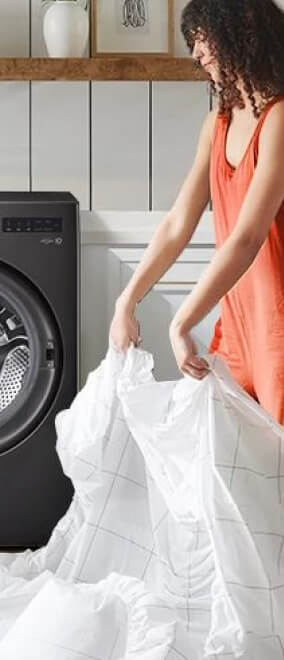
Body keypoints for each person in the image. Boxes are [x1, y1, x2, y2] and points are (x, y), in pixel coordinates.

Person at [109, 0, 284, 424]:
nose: (195, 54)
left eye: (201, 37)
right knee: (233, 469)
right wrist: (125, 302)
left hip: (278, 328)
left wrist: (180, 323)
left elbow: (247, 237)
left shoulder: (280, 119)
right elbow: (176, 225)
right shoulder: (218, 123)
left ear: (239, 31)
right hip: (240, 327)